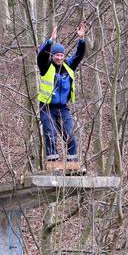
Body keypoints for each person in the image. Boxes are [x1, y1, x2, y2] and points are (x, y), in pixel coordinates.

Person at [37, 22, 87, 167]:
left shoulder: (68, 66)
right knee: (50, 134)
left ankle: (73, 165)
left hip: (63, 107)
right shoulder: (46, 67)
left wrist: (81, 40)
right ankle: (53, 163)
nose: (59, 58)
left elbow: (79, 55)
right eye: (56, 55)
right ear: (52, 56)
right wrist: (49, 42)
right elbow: (41, 57)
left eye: (61, 55)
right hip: (46, 107)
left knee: (70, 134)